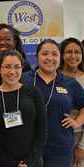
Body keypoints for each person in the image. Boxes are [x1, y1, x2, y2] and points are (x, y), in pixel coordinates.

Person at [20, 39, 84, 167]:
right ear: (37, 57)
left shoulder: (70, 83)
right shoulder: (23, 78)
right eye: (45, 54)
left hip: (59, 150)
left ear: (60, 58)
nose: (50, 58)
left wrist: (76, 122)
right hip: (27, 149)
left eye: (54, 54)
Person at [0, 49, 47, 167]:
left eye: (17, 67)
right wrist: (8, 162)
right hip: (3, 163)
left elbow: (42, 129)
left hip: (33, 162)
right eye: (7, 67)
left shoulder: (33, 92)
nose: (12, 72)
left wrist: (30, 160)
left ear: (22, 69)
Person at [58, 37, 84, 167]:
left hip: (76, 137)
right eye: (69, 52)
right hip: (55, 136)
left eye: (77, 52)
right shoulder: (54, 76)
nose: (73, 56)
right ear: (62, 54)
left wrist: (82, 146)